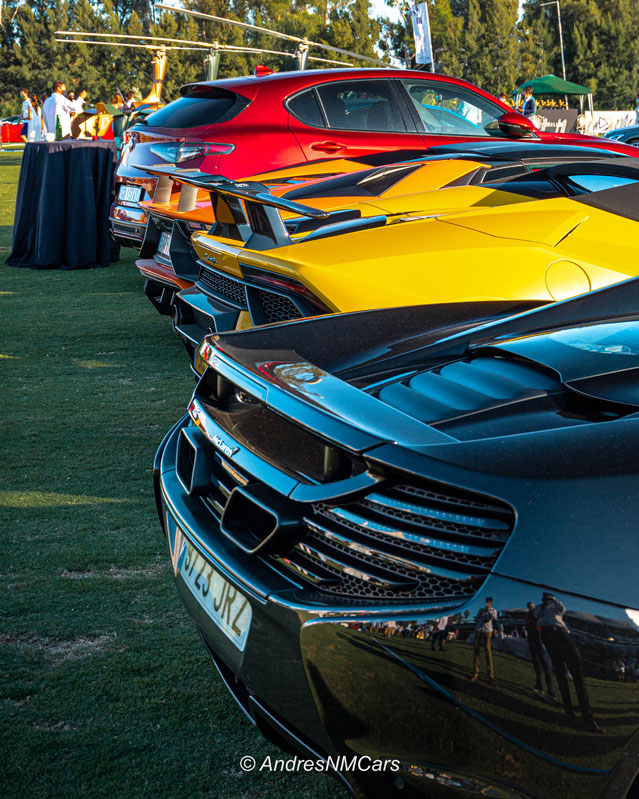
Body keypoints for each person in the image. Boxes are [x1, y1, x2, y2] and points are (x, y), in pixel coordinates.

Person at [535, 592, 603, 733]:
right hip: (548, 636)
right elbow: (536, 616)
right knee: (560, 676)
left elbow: (562, 610)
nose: (546, 600)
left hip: (562, 634)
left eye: (548, 598)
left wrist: (553, 599)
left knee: (578, 675)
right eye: (545, 598)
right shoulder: (539, 608)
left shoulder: (555, 605)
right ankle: (569, 715)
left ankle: (588, 718)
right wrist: (543, 605)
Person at [525, 601, 556, 701]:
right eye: (529, 606)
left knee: (543, 663)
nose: (531, 607)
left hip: (537, 637)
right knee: (537, 663)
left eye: (531, 605)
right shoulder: (529, 614)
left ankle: (550, 691)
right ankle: (539, 685)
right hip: (532, 638)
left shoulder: (537, 612)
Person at [472, 597, 497, 684]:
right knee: (476, 651)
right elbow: (476, 619)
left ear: (491, 603)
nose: (487, 603)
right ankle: (475, 673)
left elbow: (493, 618)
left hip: (487, 631)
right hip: (478, 631)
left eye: (489, 602)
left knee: (488, 652)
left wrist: (488, 611)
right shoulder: (481, 610)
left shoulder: (493, 610)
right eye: (486, 602)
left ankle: (490, 676)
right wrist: (481, 614)